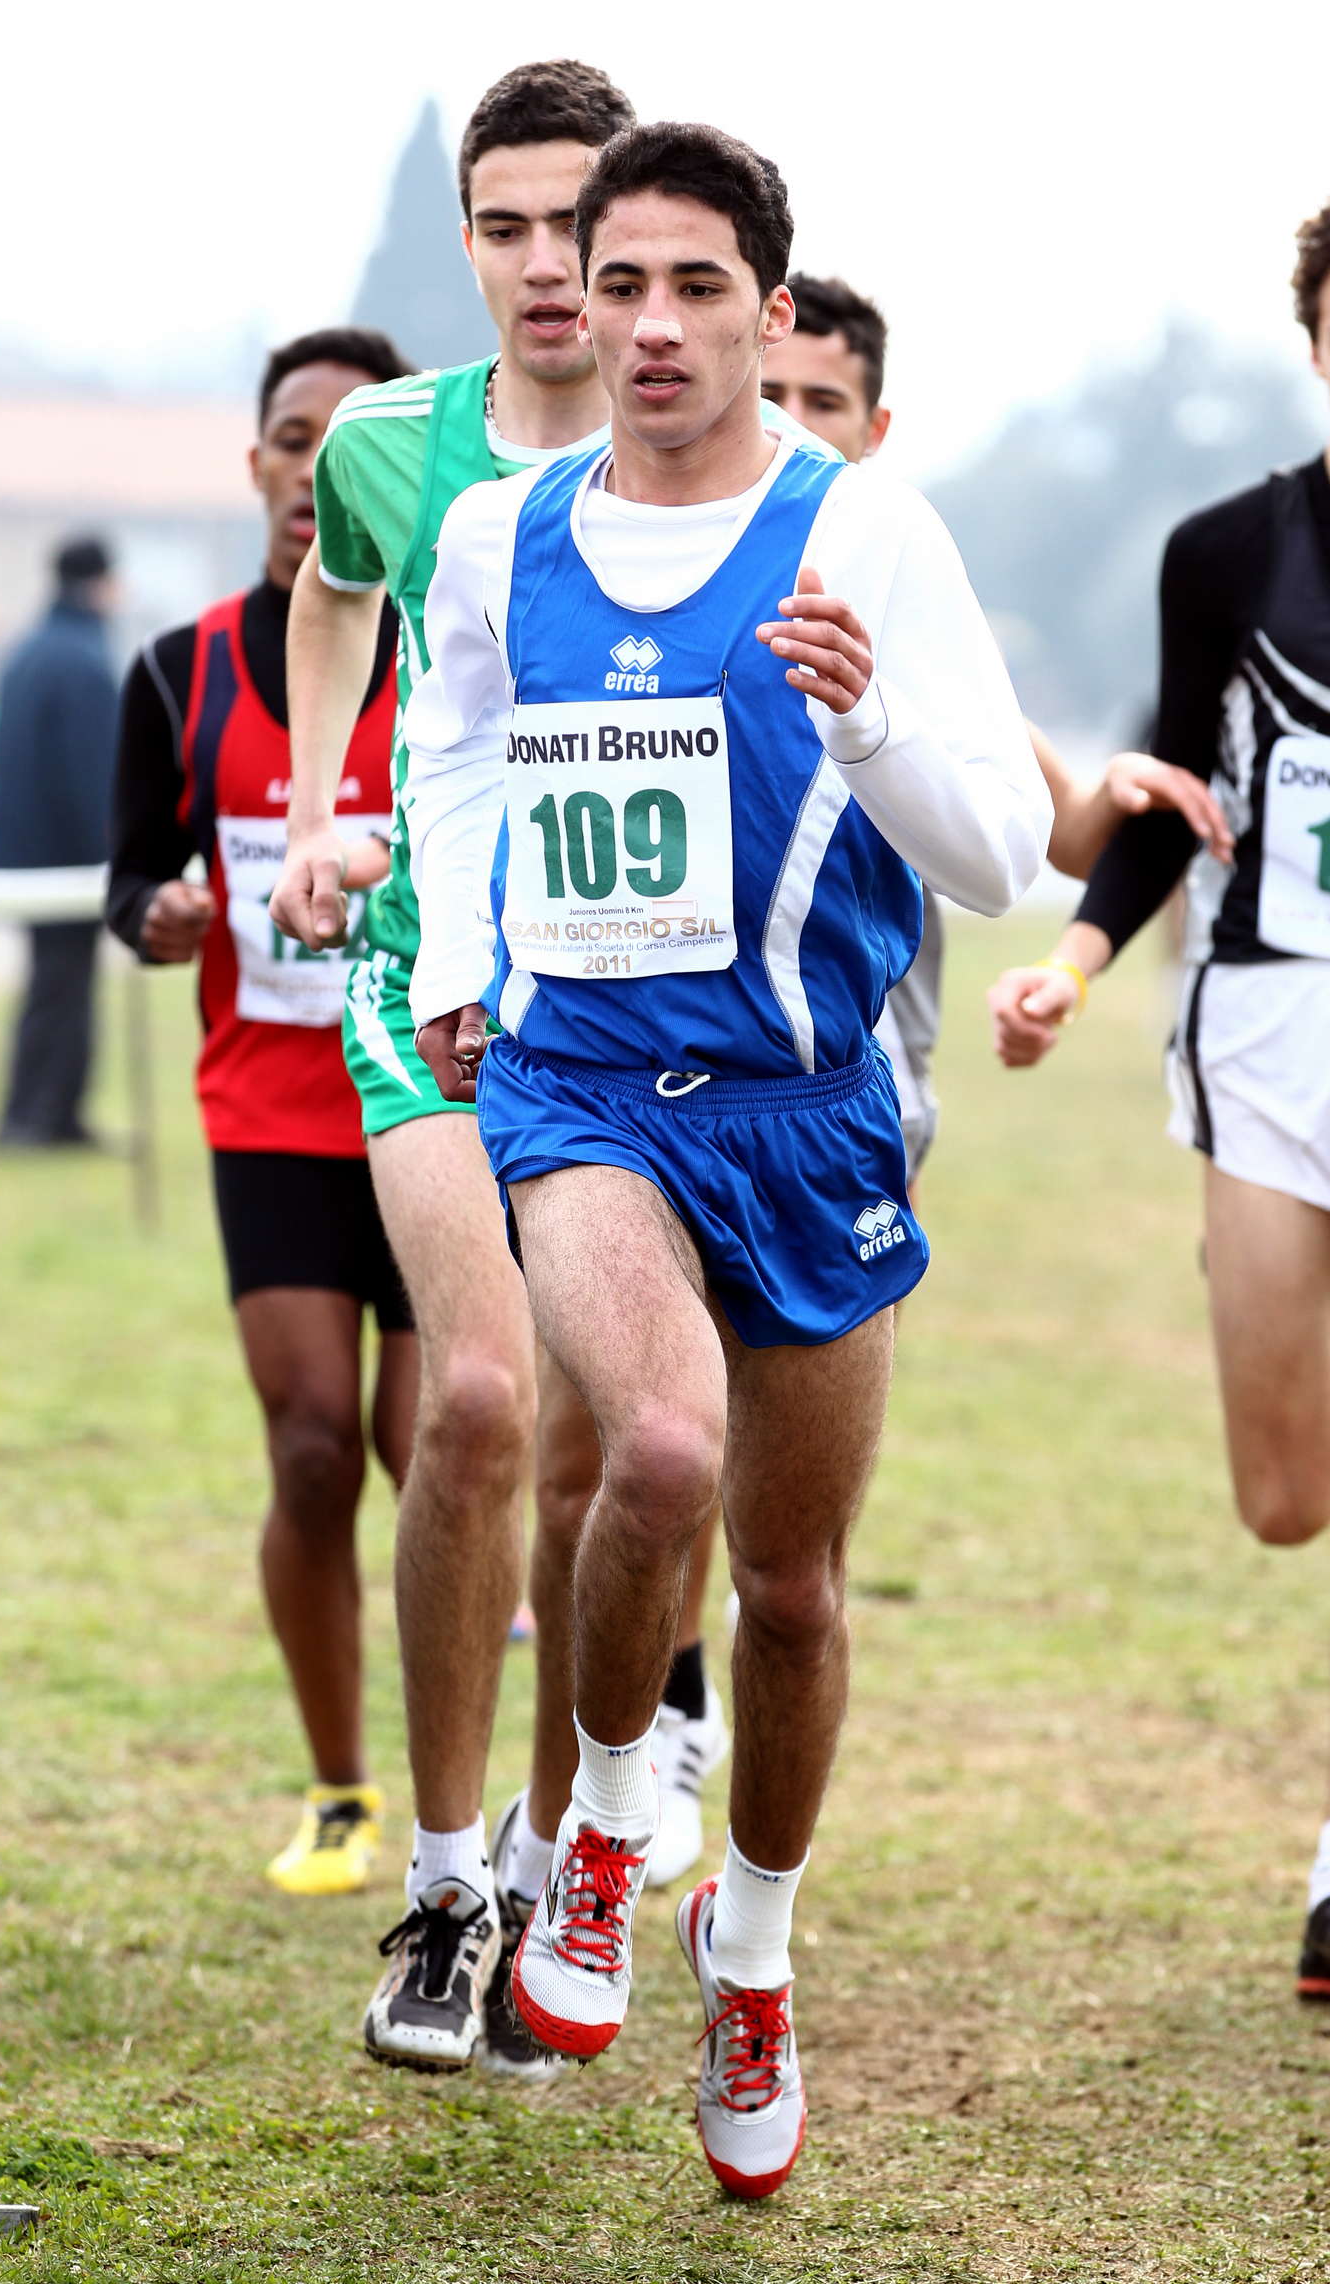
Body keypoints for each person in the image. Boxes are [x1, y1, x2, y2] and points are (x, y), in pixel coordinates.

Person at [408, 121, 1051, 2196]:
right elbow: (457, 742)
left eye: (700, 287)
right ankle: (603, 1824)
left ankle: (749, 1949)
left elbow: (1005, 856)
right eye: (623, 284)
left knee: (788, 1586)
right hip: (582, 1086)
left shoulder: (865, 528)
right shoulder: (501, 533)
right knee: (659, 1447)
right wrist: (456, 950)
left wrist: (867, 728)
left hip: (811, 1107)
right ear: (575, 304)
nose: (656, 325)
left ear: (769, 312)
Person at [988, 186, 1330, 2011]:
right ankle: (1278, 1284)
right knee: (1290, 1497)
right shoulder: (1226, 552)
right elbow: (1165, 788)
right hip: (1266, 1033)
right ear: (1315, 357)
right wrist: (1071, 965)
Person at [268, 62, 646, 2083]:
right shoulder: (391, 446)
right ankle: (440, 1891)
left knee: (606, 1458)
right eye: (502, 226)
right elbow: (333, 596)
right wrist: (320, 806)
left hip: (629, 1011)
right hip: (427, 977)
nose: (542, 264)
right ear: (469, 243)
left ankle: (561, 1850)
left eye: (575, 224)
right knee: (481, 1401)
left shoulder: (706, 463)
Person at [106, 327, 415, 1896]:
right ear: (257, 464)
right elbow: (130, 875)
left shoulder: (458, 647)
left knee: (440, 1448)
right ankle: (341, 1790)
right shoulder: (182, 669)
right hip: (273, 1112)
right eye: (297, 438)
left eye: (353, 441)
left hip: (438, 1101)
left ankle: (508, 1802)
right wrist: (159, 913)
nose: (318, 470)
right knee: (309, 1451)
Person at [763, 273, 1231, 1192]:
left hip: (869, 1077)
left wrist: (1115, 788)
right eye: (772, 394)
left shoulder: (912, 635)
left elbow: (1062, 838)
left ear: (875, 429)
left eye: (825, 400)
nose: (795, 423)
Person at [0, 535, 121, 1148]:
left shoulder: (27, 652)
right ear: (102, 583)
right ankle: (37, 1117)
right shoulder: (84, 661)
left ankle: (47, 1112)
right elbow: (92, 775)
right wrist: (111, 853)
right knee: (62, 989)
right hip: (67, 860)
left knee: (53, 985)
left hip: (23, 854)